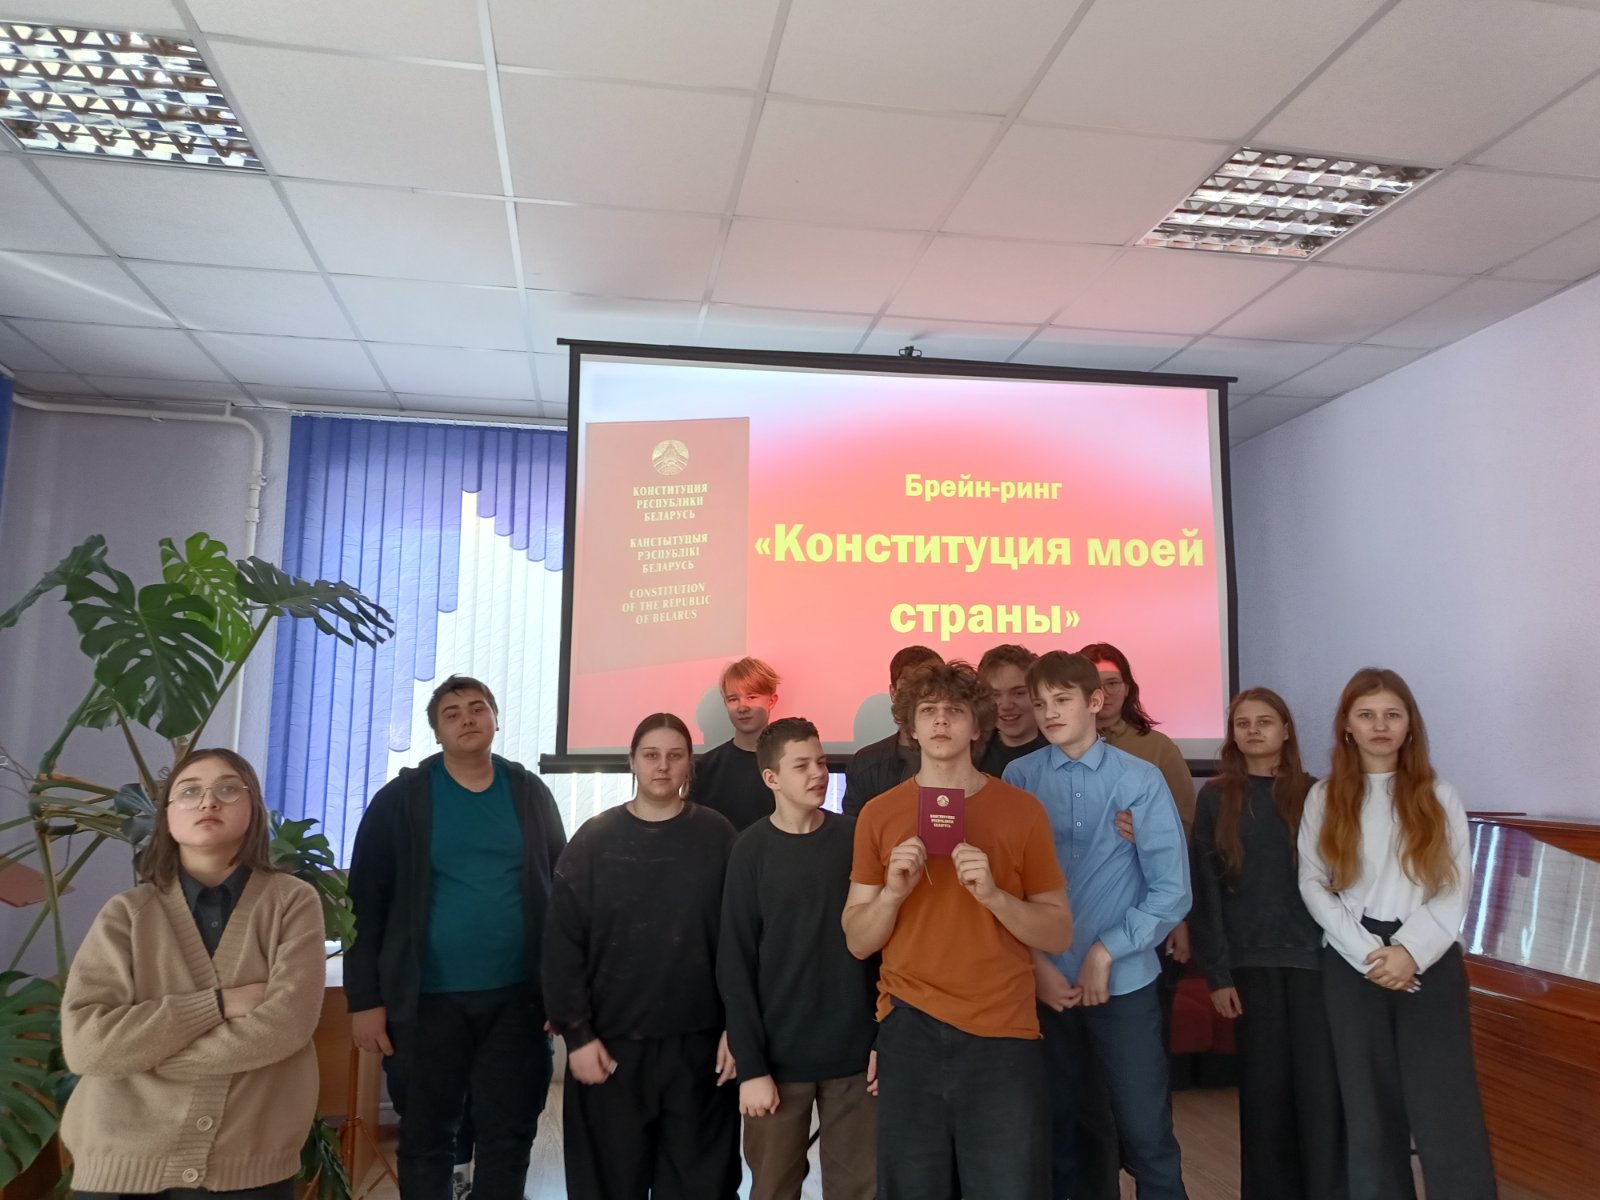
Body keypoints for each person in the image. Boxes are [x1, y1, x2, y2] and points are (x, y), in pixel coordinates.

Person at [845, 660, 1072, 1200]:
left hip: (1002, 1032)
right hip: (910, 1028)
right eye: (928, 711)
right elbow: (857, 940)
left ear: (977, 726)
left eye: (955, 710)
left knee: (1009, 1189)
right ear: (911, 725)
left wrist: (995, 896)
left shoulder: (1022, 811)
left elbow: (1058, 932)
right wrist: (892, 894)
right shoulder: (878, 814)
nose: (941, 721)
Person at [60, 748, 325, 1200]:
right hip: (120, 1160)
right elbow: (87, 1047)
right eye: (189, 791)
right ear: (165, 816)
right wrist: (219, 1005)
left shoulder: (292, 903)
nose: (208, 801)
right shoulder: (126, 914)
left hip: (248, 1162)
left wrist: (143, 1057)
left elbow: (285, 1026)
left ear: (254, 807)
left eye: (228, 788)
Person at [345, 675, 566, 1200]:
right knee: (426, 1137)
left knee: (509, 1132)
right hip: (425, 1002)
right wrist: (365, 1000)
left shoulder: (529, 793)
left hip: (517, 1000)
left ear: (494, 719)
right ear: (437, 732)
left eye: (477, 707)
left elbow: (563, 891)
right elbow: (364, 903)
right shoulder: (401, 800)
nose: (467, 718)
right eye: (452, 713)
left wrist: (562, 991)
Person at [1298, 668, 1495, 1200]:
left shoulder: (1438, 795)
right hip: (1352, 962)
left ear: (1410, 725)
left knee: (1444, 1105)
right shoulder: (1324, 797)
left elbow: (1454, 886)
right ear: (1347, 726)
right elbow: (1313, 884)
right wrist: (1371, 954)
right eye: (1366, 715)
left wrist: (1409, 952)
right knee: (1369, 1107)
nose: (1380, 726)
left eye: (1392, 714)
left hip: (1429, 960)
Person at [1004, 651, 1191, 1200]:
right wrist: (1037, 963)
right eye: (1040, 703)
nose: (1049, 713)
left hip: (1124, 983)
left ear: (1095, 701)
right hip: (1046, 985)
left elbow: (1172, 890)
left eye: (1062, 700)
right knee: (1064, 1133)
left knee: (1146, 1134)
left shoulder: (1140, 778)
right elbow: (1009, 887)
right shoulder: (1019, 777)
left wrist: (1107, 951)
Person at [543, 712, 741, 1199]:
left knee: (701, 1187)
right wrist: (577, 1036)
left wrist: (739, 1029)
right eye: (651, 755)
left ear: (690, 764)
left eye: (675, 756)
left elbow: (742, 940)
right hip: (610, 1049)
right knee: (609, 1186)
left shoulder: (718, 837)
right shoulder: (594, 840)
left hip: (699, 1051)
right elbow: (562, 945)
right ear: (632, 761)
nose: (663, 766)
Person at [1189, 689, 1345, 1200]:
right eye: (1243, 723)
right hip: (1250, 965)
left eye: (1265, 721)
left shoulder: (1318, 794)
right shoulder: (1216, 798)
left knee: (1319, 1094)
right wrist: (1217, 973)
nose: (1253, 730)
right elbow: (1206, 890)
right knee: (1264, 1096)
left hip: (1316, 963)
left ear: (1286, 730)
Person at [718, 717, 878, 1200]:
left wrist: (884, 1039)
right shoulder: (749, 850)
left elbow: (883, 948)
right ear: (771, 778)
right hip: (777, 1060)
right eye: (802, 765)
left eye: (822, 762)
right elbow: (735, 963)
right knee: (772, 1188)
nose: (818, 774)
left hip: (855, 1058)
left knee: (860, 1190)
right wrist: (751, 1068)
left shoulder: (855, 838)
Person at [842, 645, 942, 816]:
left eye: (928, 688)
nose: (918, 696)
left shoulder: (968, 755)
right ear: (893, 692)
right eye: (908, 687)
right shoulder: (865, 764)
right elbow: (854, 829)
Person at [695, 656, 782, 831]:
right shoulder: (705, 767)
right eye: (733, 699)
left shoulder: (789, 763)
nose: (742, 707)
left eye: (752, 697)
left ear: (772, 701)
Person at [977, 643, 1048, 777]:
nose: (1006, 705)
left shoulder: (1064, 751)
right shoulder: (971, 753)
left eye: (1018, 693)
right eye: (995, 694)